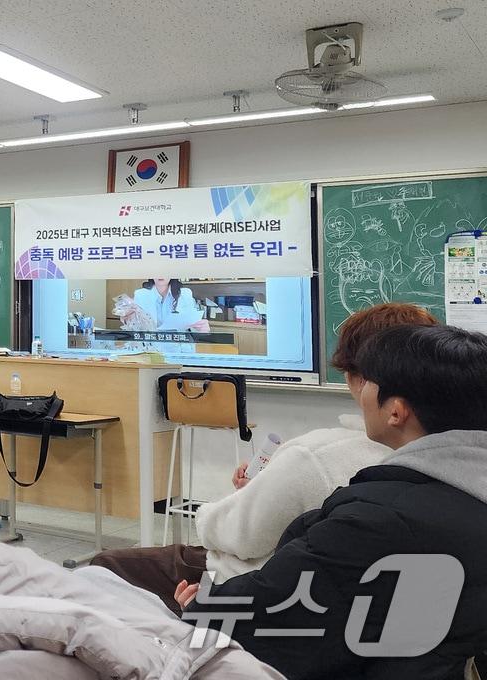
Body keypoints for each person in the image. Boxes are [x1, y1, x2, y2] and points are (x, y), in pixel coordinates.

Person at [180, 324, 487, 679]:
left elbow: (271, 615)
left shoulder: (378, 518)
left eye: (366, 380)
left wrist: (204, 607)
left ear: (396, 412)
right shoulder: (446, 496)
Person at [91, 303, 438, 613]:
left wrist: (239, 498)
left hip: (256, 584)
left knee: (105, 566)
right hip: (357, 603)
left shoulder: (317, 455)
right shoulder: (448, 460)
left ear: (357, 377)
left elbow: (237, 534)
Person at [126, 277, 210, 332]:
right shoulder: (141, 295)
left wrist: (201, 328)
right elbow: (135, 327)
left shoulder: (185, 293)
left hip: (179, 347)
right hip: (152, 347)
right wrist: (127, 318)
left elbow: (192, 325)